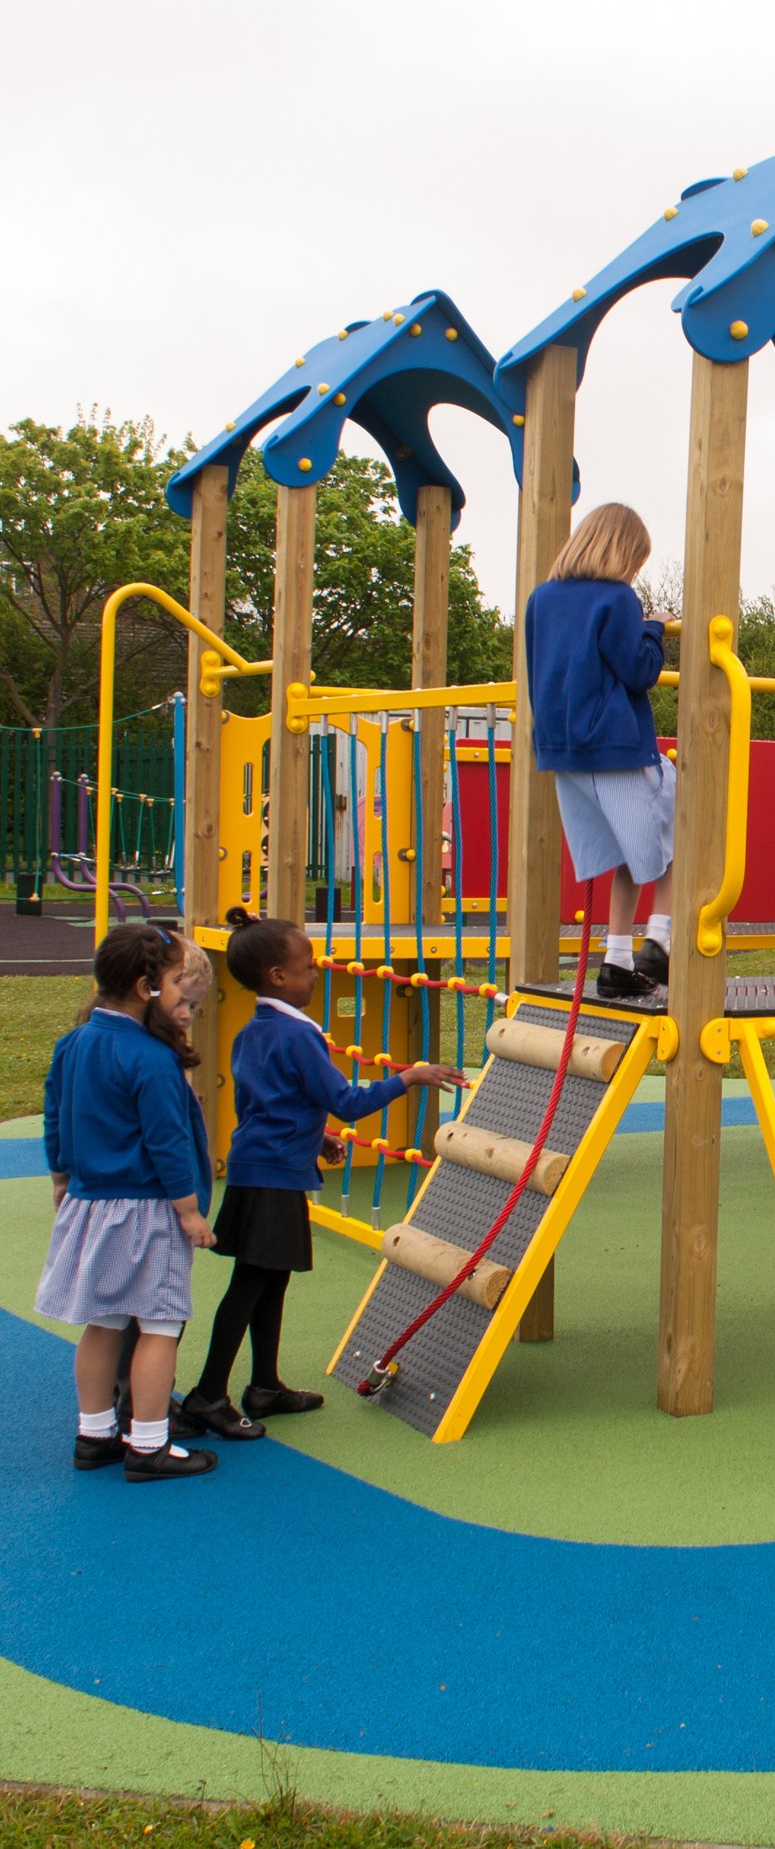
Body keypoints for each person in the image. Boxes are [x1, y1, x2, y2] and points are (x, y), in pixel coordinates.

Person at [179, 908, 464, 1439]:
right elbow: (345, 1101)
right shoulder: (297, 1036)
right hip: (274, 1177)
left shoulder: (254, 1031)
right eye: (307, 967)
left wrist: (318, 1136)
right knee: (250, 1285)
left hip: (259, 1167)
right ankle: (207, 1394)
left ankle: (264, 1384)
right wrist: (411, 1075)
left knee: (269, 1280)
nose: (316, 973)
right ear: (278, 977)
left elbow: (271, 1104)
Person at [38, 923, 217, 1480]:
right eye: (172, 984)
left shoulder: (76, 1042)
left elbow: (55, 1117)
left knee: (103, 1321)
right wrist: (188, 1211)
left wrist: (61, 1179)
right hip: (146, 1208)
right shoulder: (151, 1058)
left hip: (91, 1203)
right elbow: (167, 1141)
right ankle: (149, 1444)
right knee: (160, 1325)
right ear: (147, 988)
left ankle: (94, 1434)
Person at [523, 503, 674, 1001]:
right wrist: (654, 626)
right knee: (688, 825)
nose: (635, 571)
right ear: (623, 553)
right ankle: (660, 939)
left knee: (629, 853)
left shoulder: (541, 599)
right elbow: (639, 670)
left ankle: (616, 961)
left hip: (562, 751)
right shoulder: (617, 599)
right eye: (636, 560)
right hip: (614, 746)